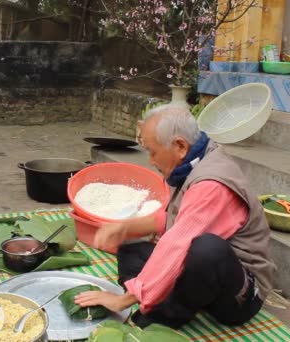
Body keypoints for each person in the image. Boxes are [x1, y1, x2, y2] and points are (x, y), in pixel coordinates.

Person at [74, 107, 275, 328]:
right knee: (132, 247)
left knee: (205, 249)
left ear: (179, 146)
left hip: (238, 296)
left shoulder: (212, 184)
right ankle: (149, 290)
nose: (150, 160)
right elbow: (171, 217)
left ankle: (163, 315)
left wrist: (124, 300)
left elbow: (178, 243)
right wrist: (124, 227)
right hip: (205, 280)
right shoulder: (197, 159)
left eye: (152, 152)